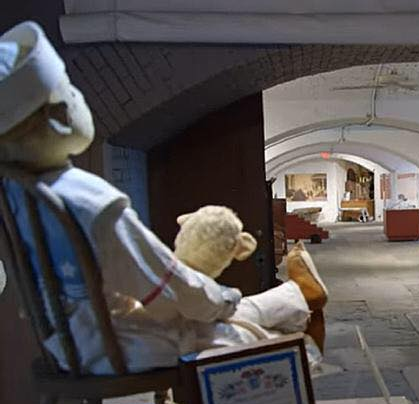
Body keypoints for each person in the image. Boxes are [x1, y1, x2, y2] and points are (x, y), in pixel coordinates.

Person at [0, 21, 327, 375]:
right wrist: (222, 298)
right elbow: (168, 287)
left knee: (218, 310)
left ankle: (296, 295)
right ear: (60, 116)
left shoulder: (18, 195)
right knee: (234, 328)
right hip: (117, 345)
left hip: (69, 343)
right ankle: (299, 311)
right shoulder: (87, 201)